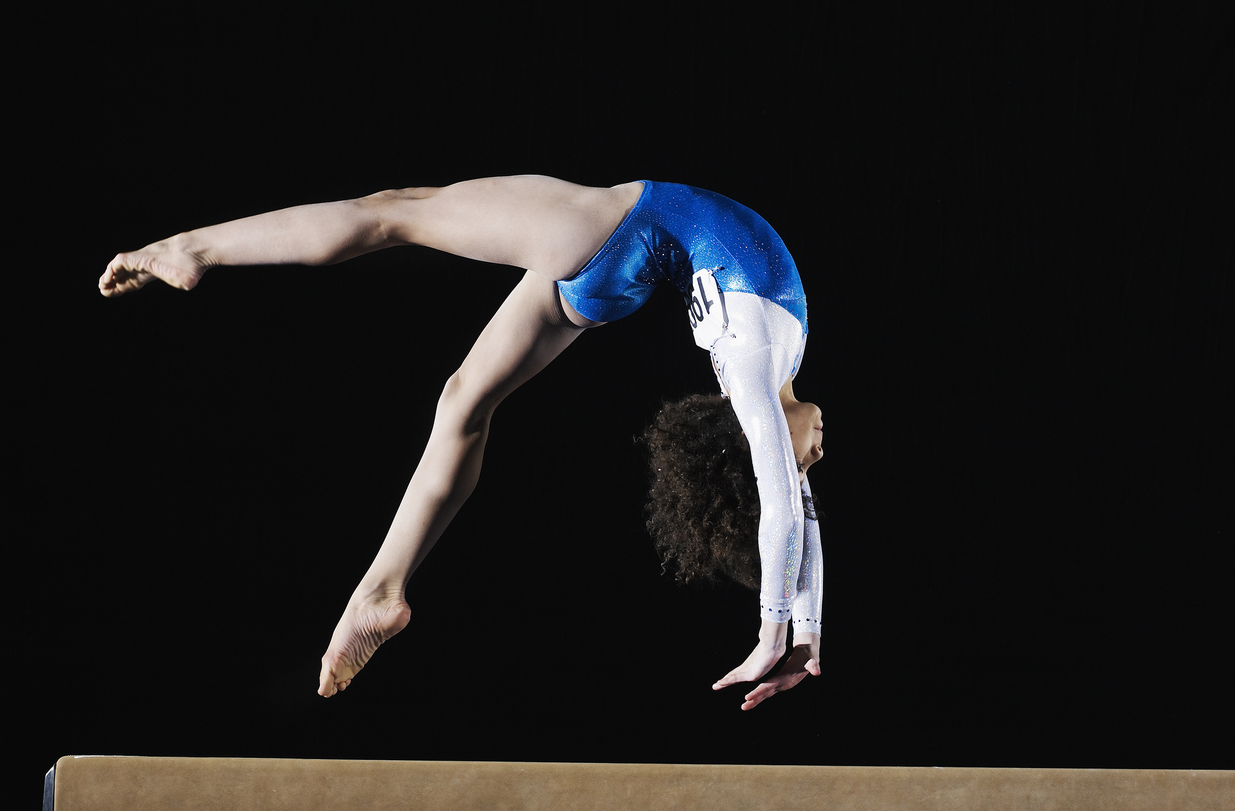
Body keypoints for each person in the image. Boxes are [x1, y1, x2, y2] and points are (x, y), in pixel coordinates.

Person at [99, 176, 824, 708]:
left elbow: (783, 512)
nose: (812, 461)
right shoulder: (769, 382)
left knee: (397, 213)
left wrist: (770, 636)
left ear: (749, 447)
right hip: (628, 267)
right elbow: (795, 516)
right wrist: (808, 634)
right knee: (463, 402)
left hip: (616, 229)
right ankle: (380, 591)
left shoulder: (755, 370)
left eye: (795, 468)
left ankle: (192, 247)